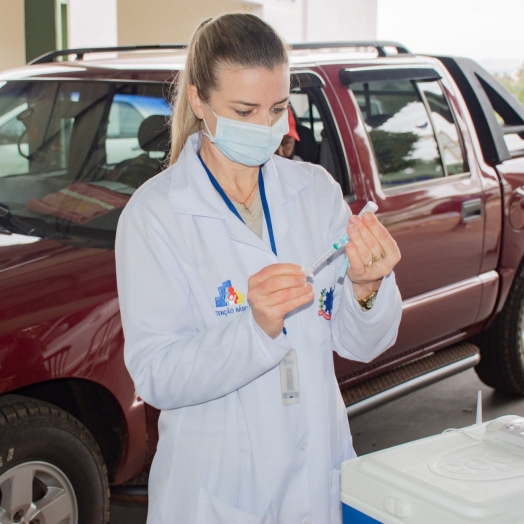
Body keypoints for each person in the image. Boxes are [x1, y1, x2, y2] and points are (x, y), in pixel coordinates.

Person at [115, 13, 402, 524]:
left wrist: (366, 286)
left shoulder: (314, 191)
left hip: (317, 472)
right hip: (220, 489)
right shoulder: (155, 214)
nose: (264, 127)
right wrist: (255, 328)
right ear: (200, 100)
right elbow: (157, 375)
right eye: (244, 110)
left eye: (277, 109)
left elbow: (361, 344)